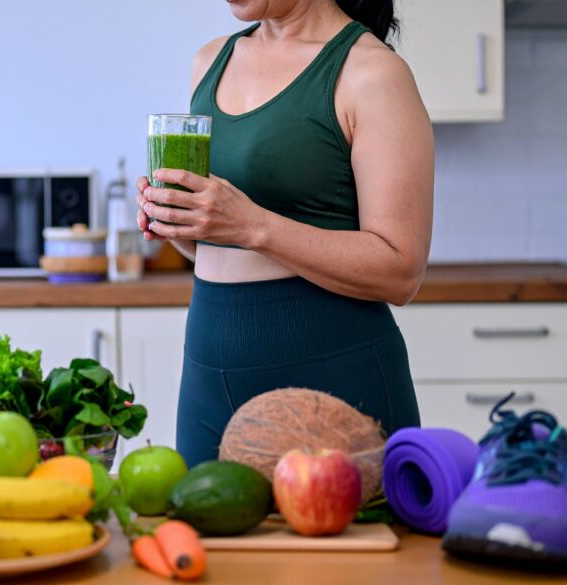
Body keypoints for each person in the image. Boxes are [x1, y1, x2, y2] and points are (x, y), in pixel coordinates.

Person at [136, 0, 434, 466]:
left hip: (332, 384)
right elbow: (216, 247)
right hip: (207, 381)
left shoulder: (372, 73)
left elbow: (401, 271)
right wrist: (176, 218)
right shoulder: (210, 61)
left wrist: (252, 225)